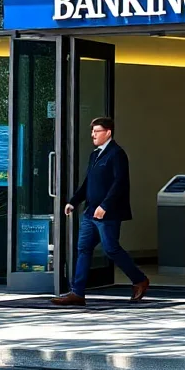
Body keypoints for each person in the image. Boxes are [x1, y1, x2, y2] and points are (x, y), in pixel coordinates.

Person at [51, 117, 150, 306]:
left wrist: (105, 206)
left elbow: (119, 183)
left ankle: (140, 280)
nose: (93, 135)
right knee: (83, 249)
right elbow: (88, 182)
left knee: (111, 248)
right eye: (92, 132)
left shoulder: (117, 154)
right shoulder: (95, 155)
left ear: (108, 133)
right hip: (90, 213)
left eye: (97, 131)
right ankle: (77, 293)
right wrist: (74, 201)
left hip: (108, 213)